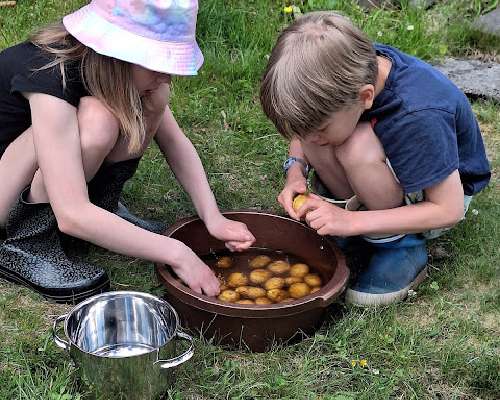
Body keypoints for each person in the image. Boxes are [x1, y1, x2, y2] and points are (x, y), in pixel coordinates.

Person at [0, 0, 255, 303]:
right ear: (119, 54)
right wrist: (177, 253)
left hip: (50, 177)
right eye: (159, 64)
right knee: (99, 121)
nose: (169, 76)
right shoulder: (49, 77)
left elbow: (176, 143)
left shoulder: (114, 72)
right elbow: (71, 214)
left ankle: (103, 209)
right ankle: (29, 241)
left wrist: (212, 216)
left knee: (153, 97)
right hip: (7, 194)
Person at [260, 11, 491, 306]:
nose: (308, 138)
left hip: (438, 196)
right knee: (328, 139)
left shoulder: (417, 114)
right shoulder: (346, 71)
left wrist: (350, 221)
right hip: (392, 168)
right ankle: (354, 224)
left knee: (356, 146)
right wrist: (295, 170)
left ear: (366, 96)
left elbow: (449, 209)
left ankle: (400, 245)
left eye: (317, 128)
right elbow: (306, 129)